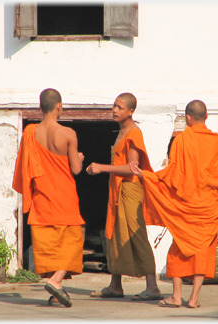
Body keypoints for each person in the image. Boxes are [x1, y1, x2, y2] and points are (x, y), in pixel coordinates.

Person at [130, 99, 218, 308]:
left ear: (188, 118)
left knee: (177, 252)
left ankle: (176, 296)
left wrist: (148, 176)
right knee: (203, 251)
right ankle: (193, 299)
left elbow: (175, 174)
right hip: (208, 208)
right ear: (207, 116)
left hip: (186, 208)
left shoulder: (182, 140)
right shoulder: (215, 141)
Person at [12, 88, 85, 308]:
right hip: (64, 196)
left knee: (52, 245)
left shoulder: (31, 133)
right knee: (73, 240)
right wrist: (79, 158)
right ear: (59, 106)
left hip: (42, 196)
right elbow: (75, 169)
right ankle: (55, 280)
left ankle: (56, 291)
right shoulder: (68, 133)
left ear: (41, 107)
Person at [86, 92, 162, 301]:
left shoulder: (133, 133)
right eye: (114, 106)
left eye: (119, 107)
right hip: (118, 190)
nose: (114, 110)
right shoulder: (121, 132)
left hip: (131, 189)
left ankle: (153, 287)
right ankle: (115, 285)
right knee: (116, 235)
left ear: (131, 111)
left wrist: (102, 167)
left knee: (137, 237)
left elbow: (131, 168)